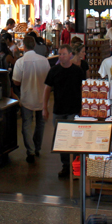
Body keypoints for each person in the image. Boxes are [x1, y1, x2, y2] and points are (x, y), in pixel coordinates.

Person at [43, 45, 85, 178]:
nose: (61, 56)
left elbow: (82, 89)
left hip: (74, 110)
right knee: (62, 139)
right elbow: (47, 89)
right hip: (59, 110)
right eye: (59, 54)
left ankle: (75, 166)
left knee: (73, 139)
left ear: (70, 55)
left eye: (63, 54)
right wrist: (45, 107)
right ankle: (66, 165)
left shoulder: (77, 71)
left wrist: (83, 107)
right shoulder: (54, 71)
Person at [12, 35, 50, 164]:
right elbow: (49, 80)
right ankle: (37, 147)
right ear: (34, 45)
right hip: (42, 97)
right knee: (41, 124)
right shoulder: (44, 60)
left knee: (27, 125)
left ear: (24, 47)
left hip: (27, 97)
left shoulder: (20, 62)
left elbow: (16, 82)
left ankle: (30, 151)